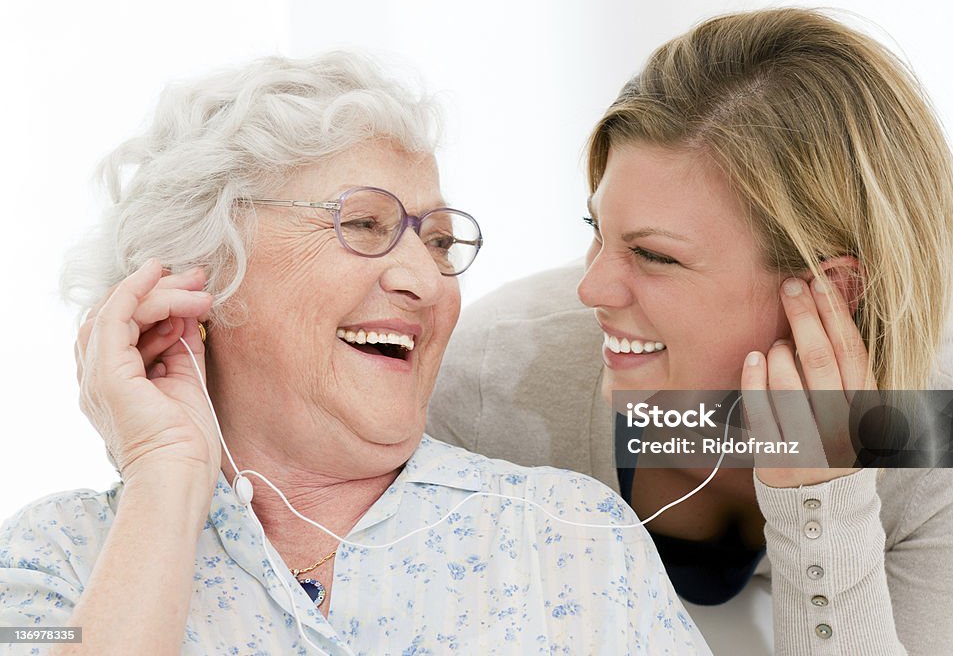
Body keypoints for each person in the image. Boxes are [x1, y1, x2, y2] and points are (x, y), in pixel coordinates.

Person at [0, 52, 710, 655]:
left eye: (436, 242)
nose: (425, 280)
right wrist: (162, 477)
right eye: (364, 224)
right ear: (201, 274)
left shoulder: (569, 536)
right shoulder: (58, 553)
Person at [428, 8, 953, 655]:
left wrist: (823, 505)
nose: (591, 289)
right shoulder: (496, 379)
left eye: (655, 256)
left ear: (832, 290)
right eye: (595, 229)